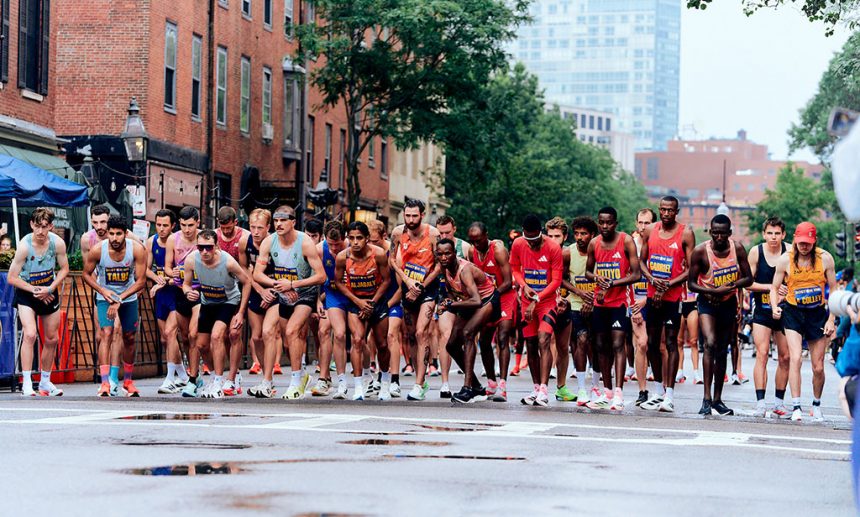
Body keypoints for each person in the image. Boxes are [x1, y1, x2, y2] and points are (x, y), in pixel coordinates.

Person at [249, 206, 326, 399]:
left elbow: (321, 276)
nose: (279, 224)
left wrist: (293, 284)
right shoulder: (269, 242)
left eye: (284, 220)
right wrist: (279, 285)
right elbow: (257, 274)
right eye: (276, 220)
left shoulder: (305, 243)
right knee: (287, 341)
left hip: (305, 293)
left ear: (293, 222)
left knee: (292, 331)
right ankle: (293, 378)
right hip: (284, 292)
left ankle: (294, 383)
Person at [771, 221, 838, 422]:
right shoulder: (785, 260)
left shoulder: (825, 259)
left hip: (816, 313)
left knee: (818, 366)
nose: (804, 246)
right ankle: (797, 405)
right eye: (800, 242)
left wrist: (831, 318)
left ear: (814, 241)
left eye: (808, 243)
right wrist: (775, 306)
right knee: (796, 358)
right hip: (792, 311)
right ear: (794, 240)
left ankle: (816, 405)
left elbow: (834, 289)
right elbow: (774, 287)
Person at [688, 214, 753, 416]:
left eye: (722, 233)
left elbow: (748, 278)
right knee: (709, 343)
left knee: (722, 348)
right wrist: (711, 291)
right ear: (710, 232)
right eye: (715, 232)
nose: (718, 236)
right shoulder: (700, 251)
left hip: (728, 302)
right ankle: (706, 399)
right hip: (707, 301)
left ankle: (717, 399)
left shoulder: (738, 249)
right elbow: (691, 283)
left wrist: (728, 288)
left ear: (729, 233)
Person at [639, 196, 696, 413]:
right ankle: (657, 391)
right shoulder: (650, 230)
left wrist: (669, 284)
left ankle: (670, 395)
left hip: (673, 297)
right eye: (662, 209)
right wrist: (652, 280)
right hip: (653, 295)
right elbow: (641, 261)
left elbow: (692, 268)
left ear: (677, 211)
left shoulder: (686, 233)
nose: (666, 213)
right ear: (658, 210)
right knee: (652, 343)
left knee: (672, 342)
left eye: (670, 210)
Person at [181, 230, 252, 398]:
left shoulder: (227, 261)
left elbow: (247, 282)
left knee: (218, 335)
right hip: (208, 302)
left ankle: (222, 380)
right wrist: (188, 292)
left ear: (216, 247)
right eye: (201, 247)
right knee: (201, 345)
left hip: (229, 301)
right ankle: (214, 376)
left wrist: (241, 312)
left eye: (209, 248)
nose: (205, 252)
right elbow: (186, 284)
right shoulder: (191, 259)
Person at [7, 208, 69, 396]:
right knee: (30, 334)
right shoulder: (25, 246)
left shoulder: (57, 243)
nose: (41, 232)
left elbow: (64, 269)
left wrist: (49, 288)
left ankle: (45, 381)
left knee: (52, 338)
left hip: (48, 291)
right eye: (37, 226)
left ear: (51, 226)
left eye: (45, 227)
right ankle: (26, 382)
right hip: (28, 292)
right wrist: (35, 290)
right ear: (32, 225)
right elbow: (12, 277)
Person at [83, 215, 147, 397]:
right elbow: (86, 274)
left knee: (129, 337)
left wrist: (120, 298)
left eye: (118, 234)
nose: (114, 238)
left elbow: (141, 281)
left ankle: (127, 381)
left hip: (127, 296)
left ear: (125, 234)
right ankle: (105, 383)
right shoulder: (97, 250)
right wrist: (103, 292)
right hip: (106, 296)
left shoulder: (137, 249)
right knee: (106, 334)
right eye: (111, 234)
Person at [585, 206, 641, 410]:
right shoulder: (594, 243)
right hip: (600, 302)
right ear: (598, 223)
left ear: (615, 223)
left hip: (620, 302)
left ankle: (619, 392)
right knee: (600, 345)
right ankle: (606, 392)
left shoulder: (626, 241)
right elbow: (588, 272)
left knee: (618, 344)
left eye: (609, 222)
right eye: (602, 222)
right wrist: (597, 279)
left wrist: (612, 284)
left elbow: (636, 274)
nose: (605, 226)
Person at [389, 199, 442, 401]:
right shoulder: (397, 233)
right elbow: (393, 260)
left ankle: (420, 383)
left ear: (422, 215)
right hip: (408, 285)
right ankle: (419, 376)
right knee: (411, 335)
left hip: (427, 287)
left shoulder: (433, 234)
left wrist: (420, 286)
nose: (410, 220)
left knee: (422, 332)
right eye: (407, 215)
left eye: (414, 216)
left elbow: (439, 266)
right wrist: (407, 281)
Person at [436, 239, 500, 403]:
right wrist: (447, 303)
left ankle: (468, 389)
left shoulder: (464, 270)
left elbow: (477, 300)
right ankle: (477, 387)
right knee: (451, 345)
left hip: (486, 300)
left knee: (468, 333)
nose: (443, 257)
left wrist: (452, 304)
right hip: (467, 302)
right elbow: (451, 291)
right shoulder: (444, 269)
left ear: (454, 254)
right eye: (440, 254)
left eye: (447, 253)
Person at [510, 214, 564, 406]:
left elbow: (557, 280)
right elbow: (515, 269)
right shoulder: (518, 244)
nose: (531, 244)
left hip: (547, 302)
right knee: (531, 344)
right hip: (526, 300)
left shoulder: (553, 247)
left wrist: (537, 299)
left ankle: (544, 389)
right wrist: (524, 285)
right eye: (528, 240)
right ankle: (534, 389)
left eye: (534, 240)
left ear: (541, 233)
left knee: (544, 339)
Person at [334, 222, 392, 400]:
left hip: (377, 301)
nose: (355, 242)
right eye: (351, 238)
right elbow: (338, 282)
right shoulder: (342, 257)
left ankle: (385, 383)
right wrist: (358, 302)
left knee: (382, 344)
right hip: (356, 301)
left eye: (359, 238)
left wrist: (372, 303)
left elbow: (387, 280)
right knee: (357, 341)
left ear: (367, 239)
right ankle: (358, 387)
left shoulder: (379, 255)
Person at [747, 216, 790, 417]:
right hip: (762, 310)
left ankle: (779, 403)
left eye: (777, 233)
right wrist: (770, 288)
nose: (773, 237)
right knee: (762, 353)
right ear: (764, 234)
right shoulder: (756, 252)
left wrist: (786, 291)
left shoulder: (790, 251)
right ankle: (761, 403)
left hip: (786, 310)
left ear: (783, 234)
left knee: (785, 356)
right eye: (769, 233)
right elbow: (746, 282)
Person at [468, 221, 515, 402]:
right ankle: (491, 381)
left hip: (504, 296)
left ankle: (502, 385)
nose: (476, 245)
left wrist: (493, 295)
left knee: (503, 337)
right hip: (487, 298)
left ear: (486, 235)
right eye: (472, 241)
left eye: (478, 240)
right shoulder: (473, 252)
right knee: (485, 340)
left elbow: (508, 281)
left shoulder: (498, 250)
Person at [146, 208, 190, 394]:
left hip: (175, 291)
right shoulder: (151, 241)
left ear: (173, 226)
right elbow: (146, 269)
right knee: (166, 338)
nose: (161, 229)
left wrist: (165, 280)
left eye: (165, 225)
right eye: (158, 225)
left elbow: (178, 271)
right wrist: (157, 280)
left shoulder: (177, 242)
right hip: (161, 293)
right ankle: (184, 376)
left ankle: (170, 378)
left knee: (171, 333)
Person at [166, 207, 204, 397]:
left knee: (193, 334)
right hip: (181, 290)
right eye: (183, 225)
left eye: (190, 225)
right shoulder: (174, 239)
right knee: (184, 337)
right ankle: (196, 371)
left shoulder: (205, 237)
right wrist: (171, 273)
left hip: (200, 292)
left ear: (198, 222)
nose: (187, 229)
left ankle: (193, 378)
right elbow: (167, 266)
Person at [561, 216, 598, 405]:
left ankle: (598, 387)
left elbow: (608, 277)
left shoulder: (600, 251)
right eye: (576, 233)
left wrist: (592, 298)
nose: (579, 237)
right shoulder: (568, 253)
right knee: (581, 340)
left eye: (584, 234)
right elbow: (561, 278)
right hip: (576, 303)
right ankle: (582, 389)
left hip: (598, 303)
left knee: (598, 345)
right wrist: (578, 292)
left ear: (592, 235)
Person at [433, 215, 472, 396]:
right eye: (440, 233)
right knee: (445, 336)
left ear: (454, 229)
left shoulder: (464, 248)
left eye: (447, 232)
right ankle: (445, 383)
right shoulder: (434, 247)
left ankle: (470, 381)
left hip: (466, 298)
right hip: (445, 295)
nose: (444, 235)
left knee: (469, 337)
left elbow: (475, 272)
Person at [238, 209, 280, 379]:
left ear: (268, 227)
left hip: (276, 289)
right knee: (256, 337)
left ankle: (270, 376)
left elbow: (286, 270)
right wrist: (260, 290)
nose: (255, 232)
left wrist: (272, 291)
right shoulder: (244, 242)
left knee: (268, 332)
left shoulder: (275, 242)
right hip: (257, 288)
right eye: (252, 227)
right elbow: (244, 269)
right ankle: (265, 371)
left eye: (260, 228)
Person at [215, 206, 251, 396]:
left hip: (238, 288)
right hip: (218, 291)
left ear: (235, 223)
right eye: (223, 228)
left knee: (235, 333)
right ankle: (227, 373)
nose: (226, 232)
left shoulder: (243, 237)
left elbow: (246, 271)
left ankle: (232, 377)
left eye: (229, 228)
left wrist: (242, 309)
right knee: (219, 336)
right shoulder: (214, 237)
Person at [312, 220, 349, 398]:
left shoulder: (352, 247)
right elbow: (317, 278)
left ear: (345, 238)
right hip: (330, 294)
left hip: (352, 293)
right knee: (324, 331)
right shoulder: (320, 250)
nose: (334, 248)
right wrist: (318, 301)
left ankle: (367, 375)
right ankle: (323, 377)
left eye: (338, 244)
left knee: (358, 337)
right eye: (331, 244)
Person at [368, 220, 404, 397]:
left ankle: (395, 380)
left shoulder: (393, 255)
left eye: (374, 242)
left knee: (391, 334)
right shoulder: (365, 253)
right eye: (369, 241)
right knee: (369, 337)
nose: (371, 245)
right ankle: (373, 375)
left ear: (383, 237)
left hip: (392, 301)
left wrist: (385, 306)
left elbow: (400, 288)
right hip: (374, 301)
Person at [545, 217, 575, 401]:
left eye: (557, 236)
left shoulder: (569, 254)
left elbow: (576, 281)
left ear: (564, 237)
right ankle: (540, 387)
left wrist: (567, 299)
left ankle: (561, 387)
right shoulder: (541, 253)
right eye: (550, 236)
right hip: (545, 304)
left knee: (563, 347)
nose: (553, 240)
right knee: (544, 344)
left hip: (566, 304)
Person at [630, 207, 656, 405]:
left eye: (647, 222)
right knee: (641, 343)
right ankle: (642, 390)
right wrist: (633, 306)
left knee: (658, 346)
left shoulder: (657, 243)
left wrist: (647, 299)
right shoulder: (629, 244)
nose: (643, 226)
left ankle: (661, 388)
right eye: (641, 222)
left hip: (653, 300)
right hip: (633, 300)